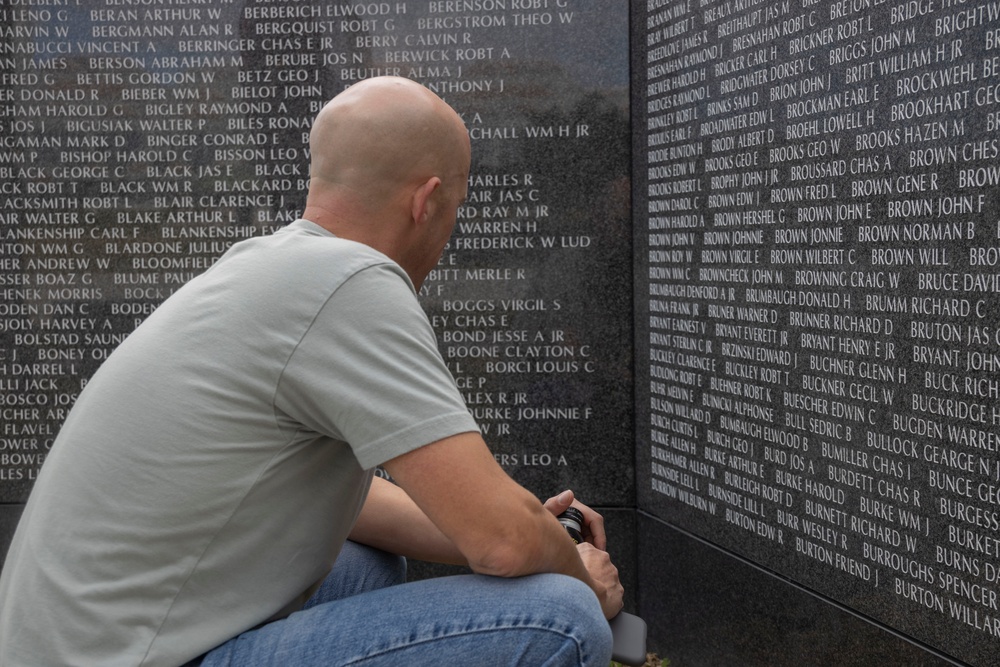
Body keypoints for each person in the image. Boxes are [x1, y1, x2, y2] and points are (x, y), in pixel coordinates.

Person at [0, 76, 623, 666]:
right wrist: (573, 570)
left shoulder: (270, 266)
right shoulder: (352, 283)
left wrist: (540, 532)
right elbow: (503, 544)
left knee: (363, 562)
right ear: (426, 201)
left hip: (62, 647)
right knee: (561, 615)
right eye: (455, 209)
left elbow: (355, 510)